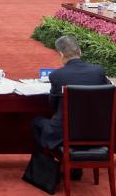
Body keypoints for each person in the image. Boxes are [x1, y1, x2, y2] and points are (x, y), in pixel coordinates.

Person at [32, 35, 107, 180]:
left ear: (61, 54)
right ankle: (74, 169)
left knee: (36, 122)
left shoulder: (57, 76)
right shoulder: (98, 71)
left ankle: (46, 171)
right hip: (96, 132)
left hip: (64, 133)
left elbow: (53, 106)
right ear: (80, 51)